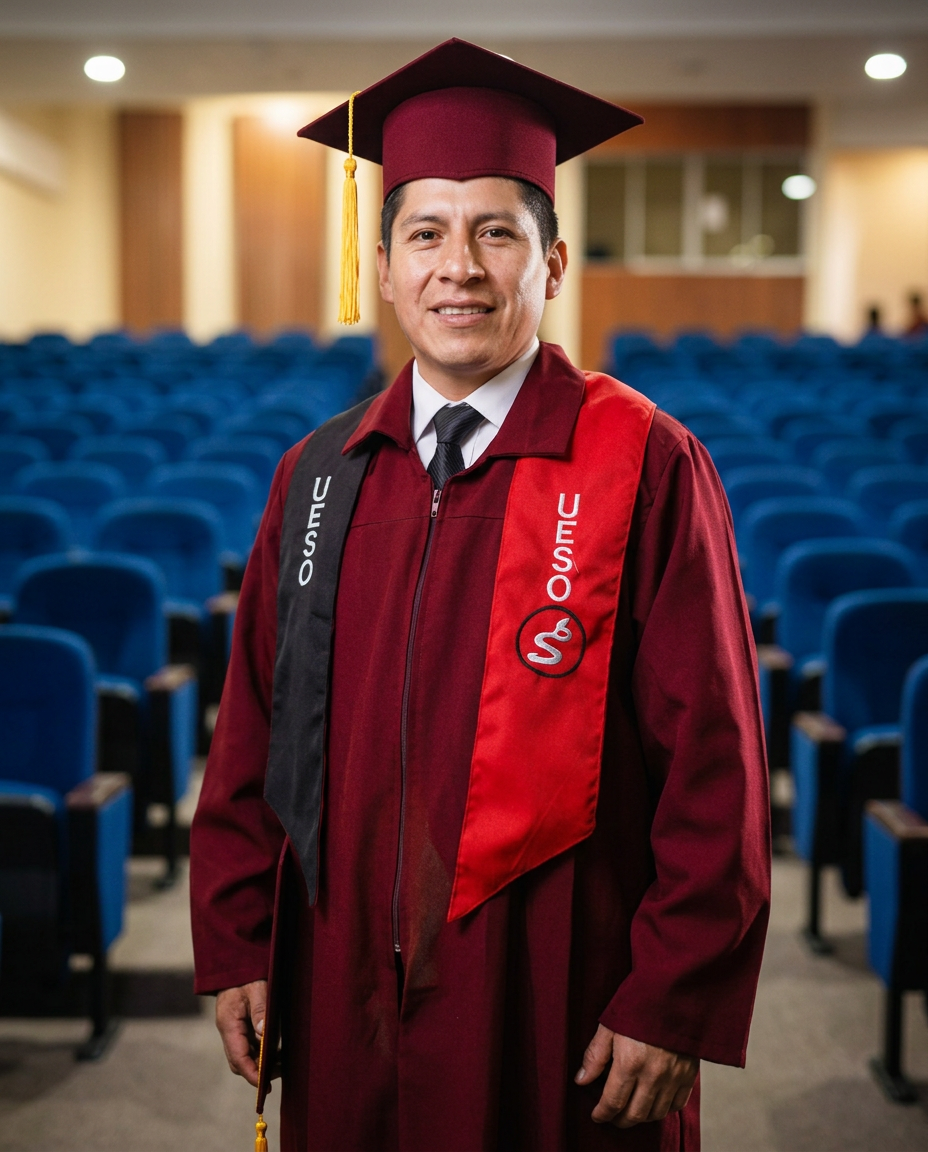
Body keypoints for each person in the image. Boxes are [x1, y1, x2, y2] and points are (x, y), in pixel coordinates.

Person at [190, 38, 770, 1152]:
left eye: (496, 232)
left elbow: (716, 761)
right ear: (384, 265)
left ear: (552, 265)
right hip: (340, 974)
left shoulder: (641, 462)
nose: (458, 267)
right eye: (426, 234)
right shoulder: (320, 474)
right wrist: (237, 940)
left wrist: (672, 994)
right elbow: (254, 727)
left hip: (560, 977)